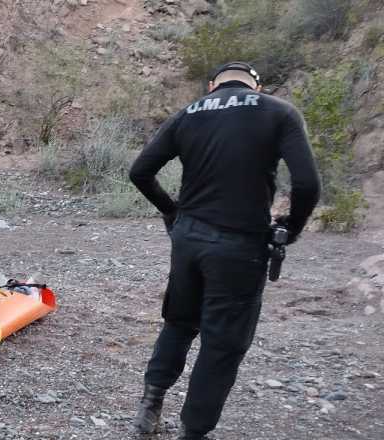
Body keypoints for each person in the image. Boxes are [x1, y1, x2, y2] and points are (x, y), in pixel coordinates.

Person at [128, 62, 321, 439]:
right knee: (222, 343)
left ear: (213, 85)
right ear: (257, 85)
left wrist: (172, 211)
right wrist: (289, 229)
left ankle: (149, 406)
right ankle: (193, 431)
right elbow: (307, 184)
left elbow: (140, 172)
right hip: (240, 245)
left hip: (188, 239)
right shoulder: (278, 110)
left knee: (179, 322)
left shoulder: (188, 113)